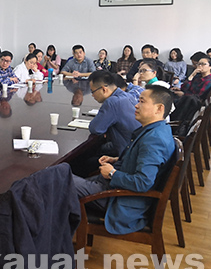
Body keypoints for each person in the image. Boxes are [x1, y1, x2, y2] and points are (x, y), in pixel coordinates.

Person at [72, 86, 176, 234]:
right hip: (115, 189)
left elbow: (143, 182)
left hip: (119, 200)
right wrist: (117, 160)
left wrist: (112, 173)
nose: (136, 105)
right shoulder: (158, 129)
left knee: (57, 178)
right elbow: (142, 160)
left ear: (159, 108)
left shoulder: (154, 140)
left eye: (142, 101)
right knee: (61, 176)